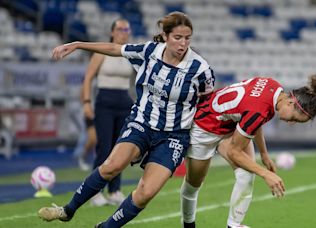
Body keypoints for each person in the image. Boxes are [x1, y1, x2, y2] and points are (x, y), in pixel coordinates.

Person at [38, 11, 215, 227]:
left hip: (173, 137)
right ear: (166, 36)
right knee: (111, 166)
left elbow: (207, 102)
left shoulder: (200, 69)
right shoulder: (150, 51)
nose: (183, 43)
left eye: (187, 38)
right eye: (178, 37)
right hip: (141, 123)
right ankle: (67, 210)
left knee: (145, 193)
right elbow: (114, 49)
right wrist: (77, 44)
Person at [181, 75, 316, 228]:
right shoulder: (259, 110)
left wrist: (264, 154)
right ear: (291, 102)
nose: (291, 123)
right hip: (205, 127)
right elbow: (234, 151)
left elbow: (254, 120)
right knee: (193, 185)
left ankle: (233, 225)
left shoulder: (274, 86)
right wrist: (266, 174)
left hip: (229, 124)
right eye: (294, 118)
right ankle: (188, 224)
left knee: (246, 173)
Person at [80, 18, 137, 206]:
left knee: (120, 148)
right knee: (103, 148)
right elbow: (87, 79)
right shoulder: (101, 53)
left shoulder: (130, 54)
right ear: (112, 32)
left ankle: (114, 190)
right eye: (120, 29)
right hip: (105, 102)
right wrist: (87, 102)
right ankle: (95, 192)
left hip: (124, 102)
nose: (124, 32)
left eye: (126, 29)